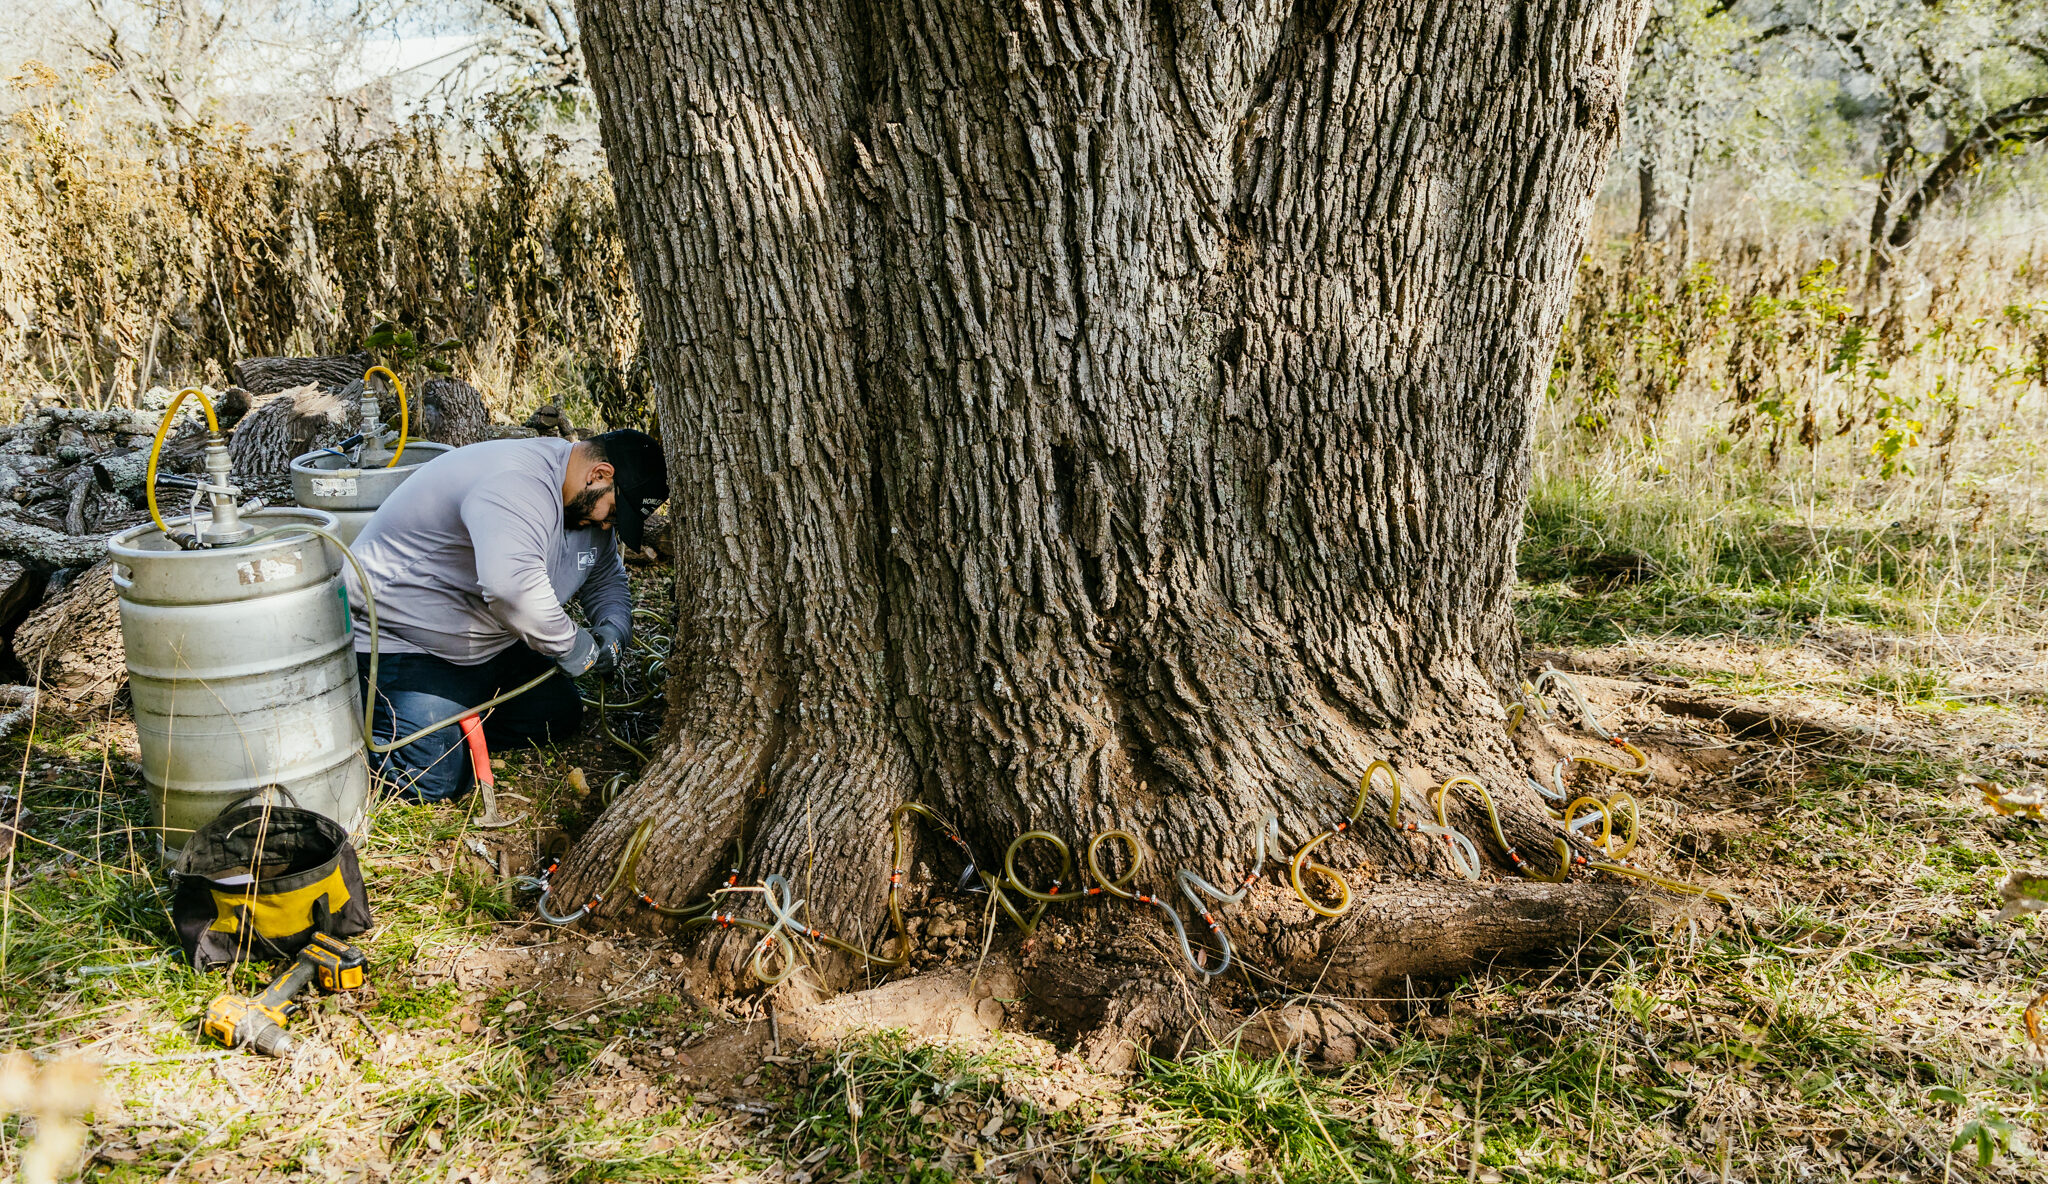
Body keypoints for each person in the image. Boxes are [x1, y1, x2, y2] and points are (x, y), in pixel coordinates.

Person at [344, 429, 668, 802]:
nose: (608, 525)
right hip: (404, 640)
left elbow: (606, 578)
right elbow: (510, 589)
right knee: (432, 779)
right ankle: (372, 729)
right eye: (613, 512)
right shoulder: (516, 484)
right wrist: (576, 647)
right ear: (599, 474)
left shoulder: (583, 507)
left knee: (558, 713)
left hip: (484, 644)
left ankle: (448, 721)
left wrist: (614, 630)